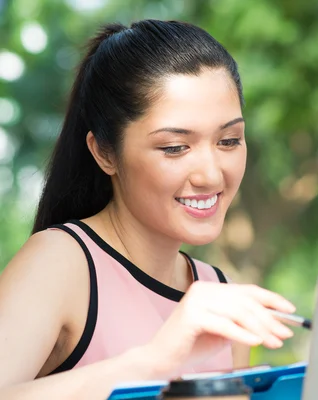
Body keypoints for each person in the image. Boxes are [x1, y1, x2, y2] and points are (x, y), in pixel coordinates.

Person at [0, 20, 297, 399]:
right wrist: (153, 363)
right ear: (105, 152)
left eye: (229, 140)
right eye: (175, 147)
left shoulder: (219, 293)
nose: (210, 174)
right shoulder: (61, 262)